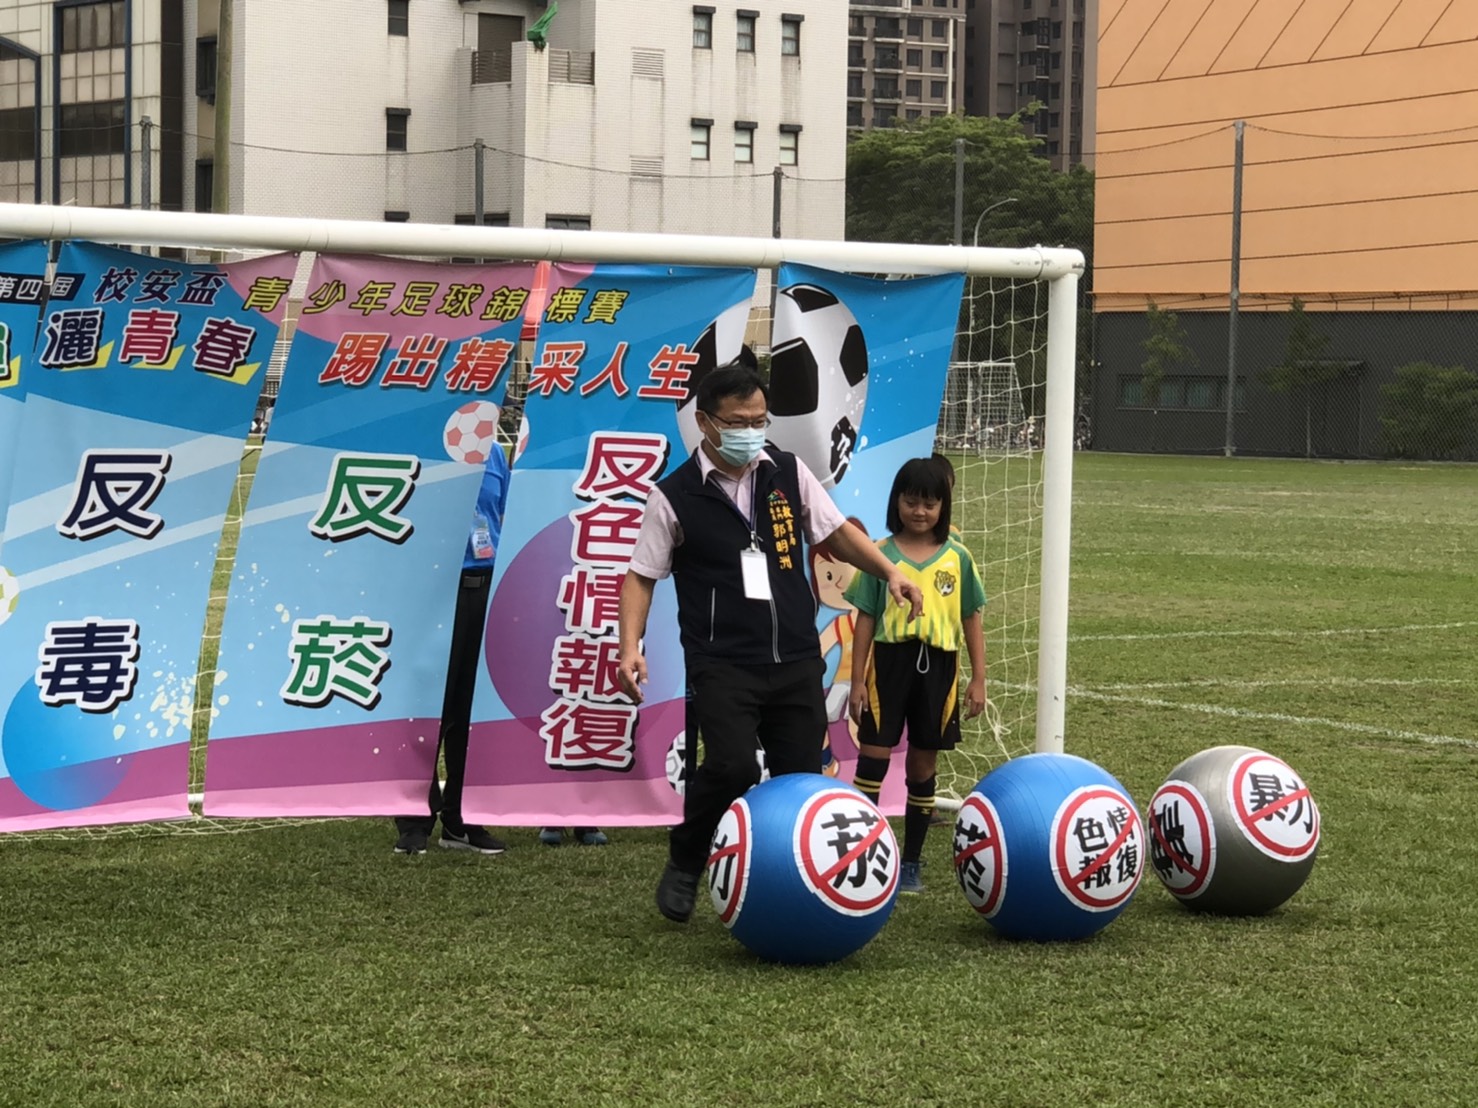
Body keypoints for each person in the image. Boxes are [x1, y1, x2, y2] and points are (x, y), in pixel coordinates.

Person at [618, 358, 925, 924]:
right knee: (733, 766)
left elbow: (836, 532)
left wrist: (891, 573)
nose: (751, 431)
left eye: (760, 420)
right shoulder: (674, 496)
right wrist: (629, 645)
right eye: (738, 422)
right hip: (722, 661)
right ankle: (687, 859)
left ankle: (788, 879)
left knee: (800, 777)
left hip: (795, 657)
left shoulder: (787, 471)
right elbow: (641, 575)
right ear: (706, 423)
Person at [845, 457, 987, 894]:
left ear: (944, 506)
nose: (920, 512)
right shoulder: (880, 554)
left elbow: (971, 616)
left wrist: (979, 679)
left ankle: (910, 862)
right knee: (873, 757)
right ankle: (864, 854)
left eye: (930, 504)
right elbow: (866, 618)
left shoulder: (958, 557)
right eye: (911, 502)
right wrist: (856, 681)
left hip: (939, 669)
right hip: (888, 664)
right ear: (897, 502)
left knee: (923, 764)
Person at [393, 445, 516, 856]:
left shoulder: (495, 453)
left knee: (473, 712)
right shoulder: (420, 444)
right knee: (424, 706)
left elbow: (503, 514)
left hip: (482, 589)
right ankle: (414, 819)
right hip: (428, 592)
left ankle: (462, 819)